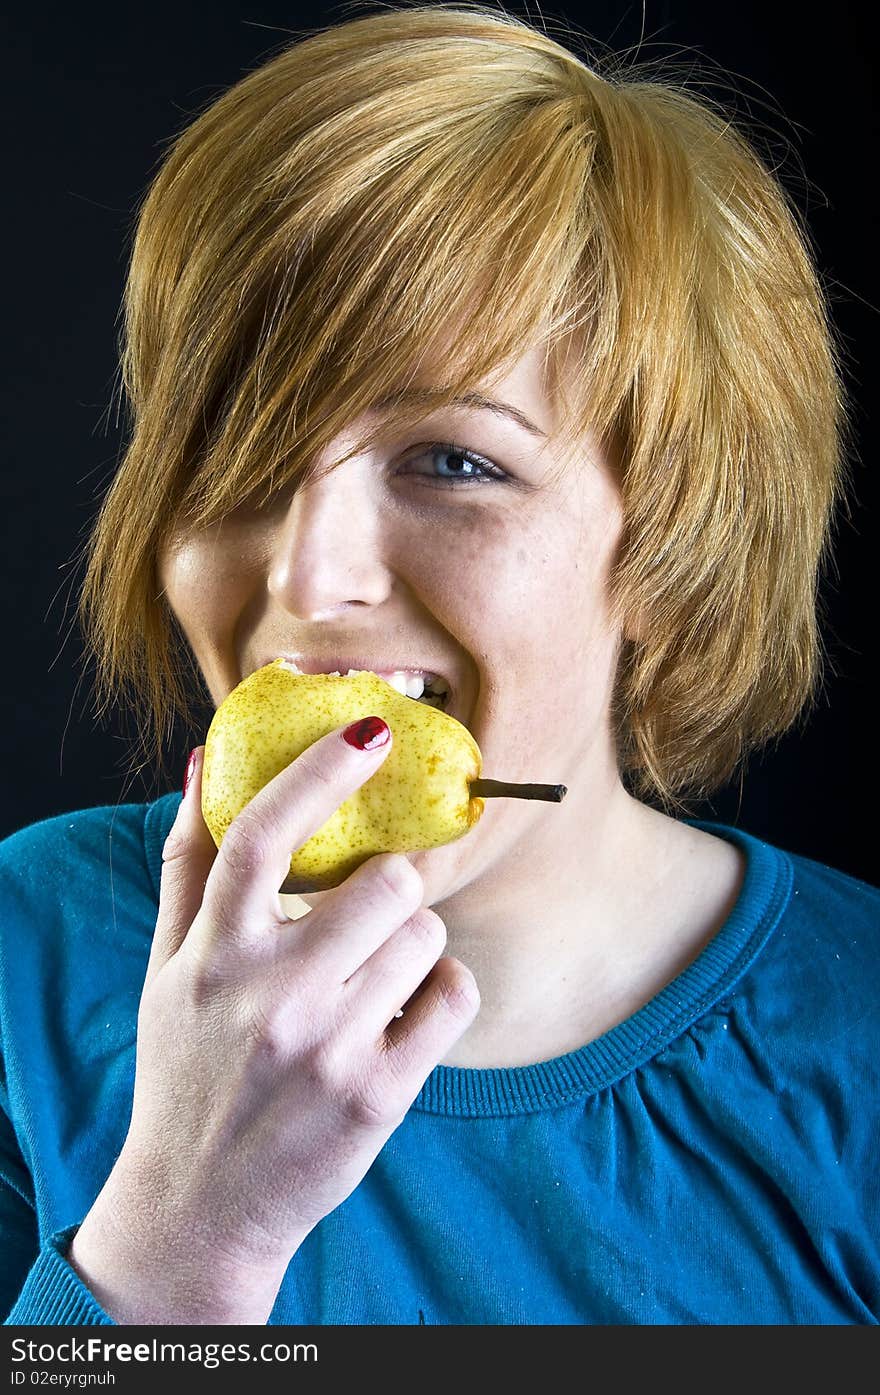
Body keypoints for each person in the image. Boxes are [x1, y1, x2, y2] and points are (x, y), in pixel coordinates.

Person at [2, 1, 877, 1327]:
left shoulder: (858, 1041)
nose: (306, 580)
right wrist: (181, 1245)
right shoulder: (24, 962)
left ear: (676, 545)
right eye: (232, 459)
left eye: (456, 463)